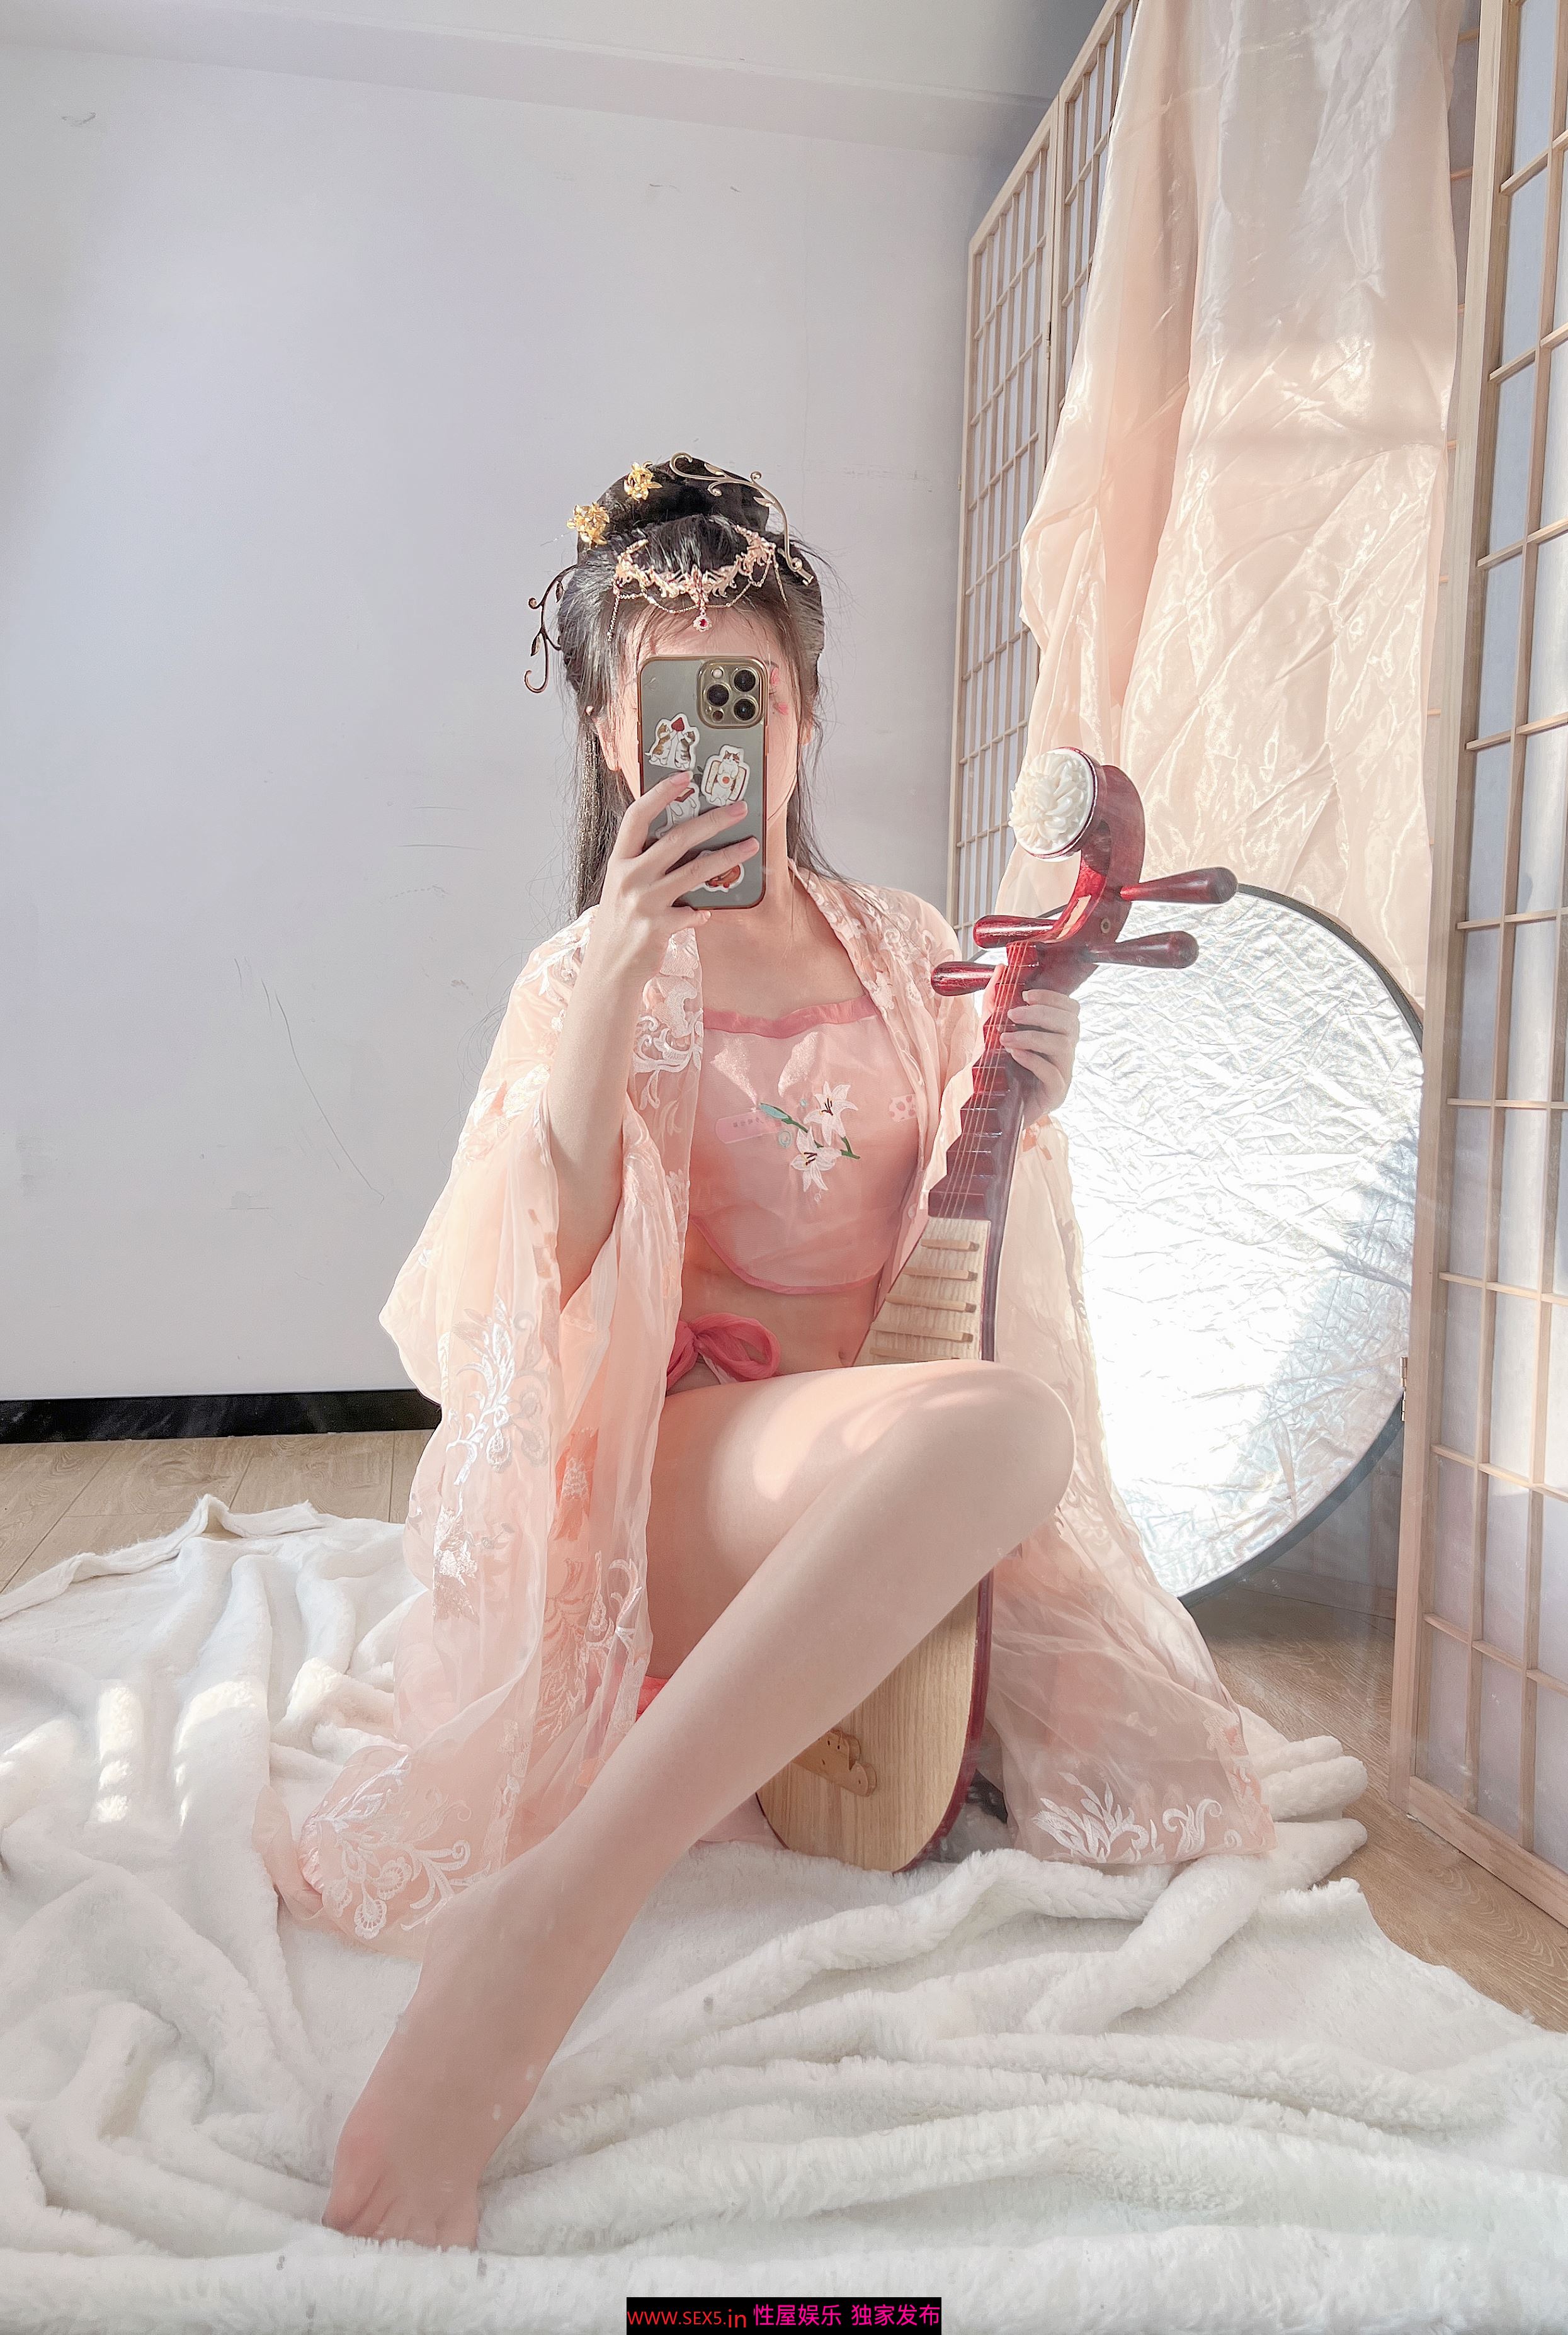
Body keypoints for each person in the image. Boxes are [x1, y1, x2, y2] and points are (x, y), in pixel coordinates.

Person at [258, 455, 1276, 2249]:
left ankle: (638, 1835)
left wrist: (1021, 1101)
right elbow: (537, 1287)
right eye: (670, 708)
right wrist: (611, 980)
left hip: (861, 1459)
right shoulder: (583, 975)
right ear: (608, 737)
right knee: (991, 1434)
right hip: (680, 1475)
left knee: (998, 1431)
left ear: (801, 718)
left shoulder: (905, 948)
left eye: (751, 697)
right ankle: (551, 1921)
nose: (715, 745)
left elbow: (945, 1271)